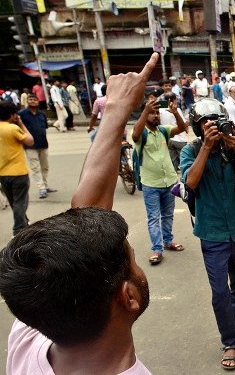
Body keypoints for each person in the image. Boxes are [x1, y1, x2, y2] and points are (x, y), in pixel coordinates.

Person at [0, 53, 159, 375]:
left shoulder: (35, 325)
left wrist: (115, 110)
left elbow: (88, 217)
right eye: (131, 260)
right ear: (128, 296)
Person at [181, 98, 235, 370]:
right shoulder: (190, 151)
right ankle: (229, 342)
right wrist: (206, 147)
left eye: (216, 121)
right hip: (212, 233)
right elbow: (190, 182)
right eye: (205, 122)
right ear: (197, 127)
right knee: (220, 292)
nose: (211, 126)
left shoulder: (230, 148)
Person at [131, 90, 188, 265]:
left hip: (169, 181)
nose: (156, 116)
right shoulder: (143, 134)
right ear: (145, 115)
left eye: (157, 113)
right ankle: (157, 249)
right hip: (151, 183)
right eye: (152, 113)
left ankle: (168, 241)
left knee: (168, 215)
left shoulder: (163, 131)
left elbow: (182, 128)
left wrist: (175, 112)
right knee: (154, 217)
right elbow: (134, 135)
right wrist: (144, 112)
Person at [0, 101, 33, 234]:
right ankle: (18, 230)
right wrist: (20, 123)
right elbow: (30, 140)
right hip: (18, 172)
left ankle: (24, 222)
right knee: (21, 202)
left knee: (15, 202)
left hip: (2, 173)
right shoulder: (12, 128)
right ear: (12, 114)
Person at [18, 95, 56, 199]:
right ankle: (41, 188)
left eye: (35, 100)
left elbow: (44, 128)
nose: (33, 101)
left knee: (45, 166)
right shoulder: (21, 114)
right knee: (35, 167)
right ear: (27, 101)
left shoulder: (42, 114)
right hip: (30, 146)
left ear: (38, 102)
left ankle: (45, 185)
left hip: (43, 144)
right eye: (31, 100)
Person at [159, 90, 189, 172]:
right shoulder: (177, 110)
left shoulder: (160, 111)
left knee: (172, 162)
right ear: (174, 100)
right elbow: (184, 124)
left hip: (168, 139)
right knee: (184, 160)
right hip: (180, 139)